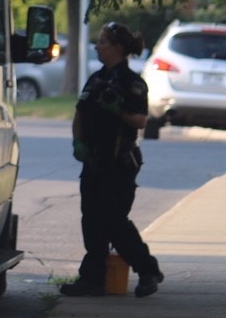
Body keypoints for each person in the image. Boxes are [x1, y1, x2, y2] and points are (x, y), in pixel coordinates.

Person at [59, 21, 164, 298]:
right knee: (91, 220)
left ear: (117, 47)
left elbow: (140, 120)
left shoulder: (132, 83)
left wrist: (118, 111)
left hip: (119, 160)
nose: (98, 46)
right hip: (93, 160)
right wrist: (77, 141)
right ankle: (93, 279)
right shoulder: (96, 79)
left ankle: (148, 270)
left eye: (103, 42)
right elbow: (80, 113)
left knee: (114, 220)